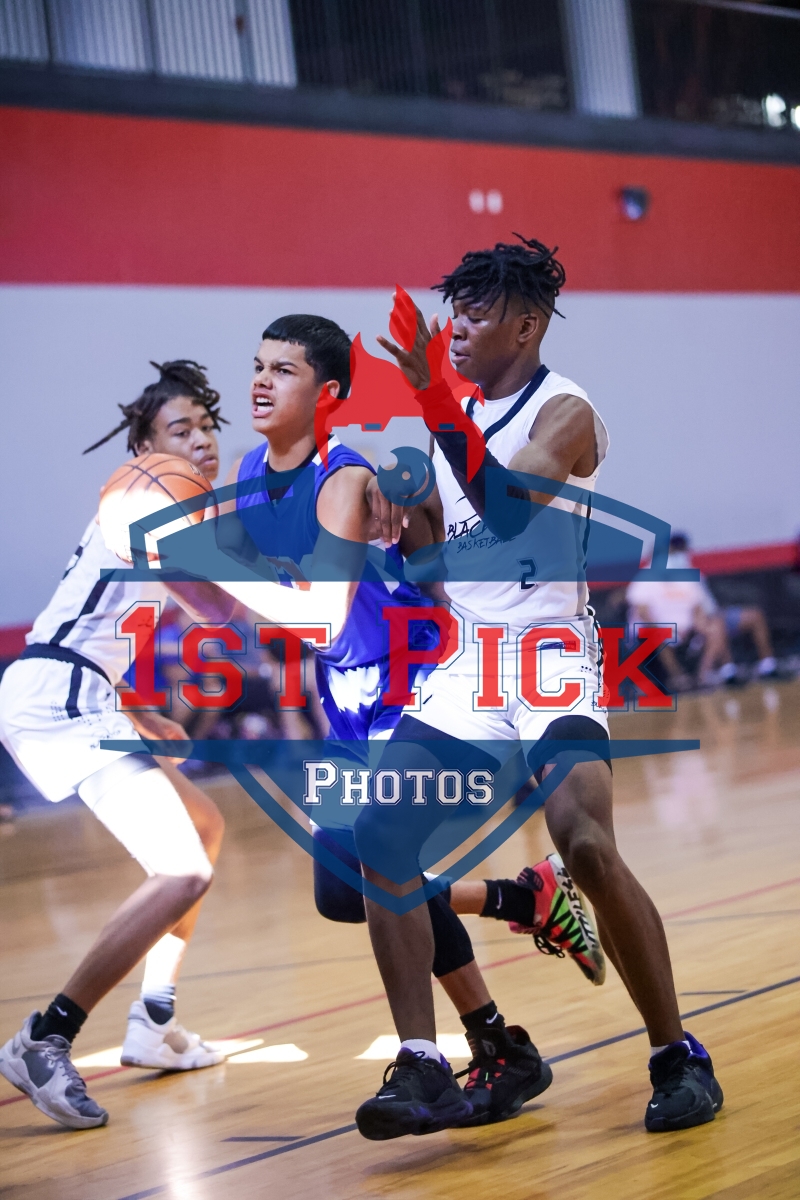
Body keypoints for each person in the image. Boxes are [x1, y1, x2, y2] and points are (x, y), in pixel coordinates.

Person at [167, 314, 604, 1130]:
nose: (260, 381)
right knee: (343, 893)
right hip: (348, 698)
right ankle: (517, 925)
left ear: (328, 394)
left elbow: (325, 617)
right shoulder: (250, 471)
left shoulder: (344, 479)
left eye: (284, 370)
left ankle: (450, 1049)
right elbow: (225, 609)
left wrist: (215, 560)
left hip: (414, 681)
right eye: (257, 365)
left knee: (372, 872)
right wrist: (170, 557)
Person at [354, 236, 723, 1139]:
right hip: (471, 664)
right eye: (454, 314)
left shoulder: (567, 409)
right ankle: (424, 1063)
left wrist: (431, 401)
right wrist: (390, 516)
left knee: (586, 845)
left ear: (526, 325)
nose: (456, 331)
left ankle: (678, 1056)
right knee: (379, 836)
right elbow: (438, 556)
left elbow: (512, 509)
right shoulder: (453, 422)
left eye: (476, 315)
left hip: (552, 656)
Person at [0, 362, 231, 1130]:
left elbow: (95, 620)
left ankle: (154, 1020)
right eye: (180, 429)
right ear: (145, 449)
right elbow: (218, 610)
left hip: (78, 690)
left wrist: (136, 710)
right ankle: (45, 1037)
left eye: (206, 426)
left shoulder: (150, 512)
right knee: (182, 870)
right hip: (54, 696)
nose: (200, 440)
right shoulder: (144, 498)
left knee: (204, 825)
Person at [628, 533, 780, 689]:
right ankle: (679, 678)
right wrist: (667, 629)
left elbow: (697, 607)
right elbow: (643, 613)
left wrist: (698, 625)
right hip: (657, 630)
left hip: (691, 627)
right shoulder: (644, 579)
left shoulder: (686, 576)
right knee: (659, 635)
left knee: (716, 626)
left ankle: (706, 675)